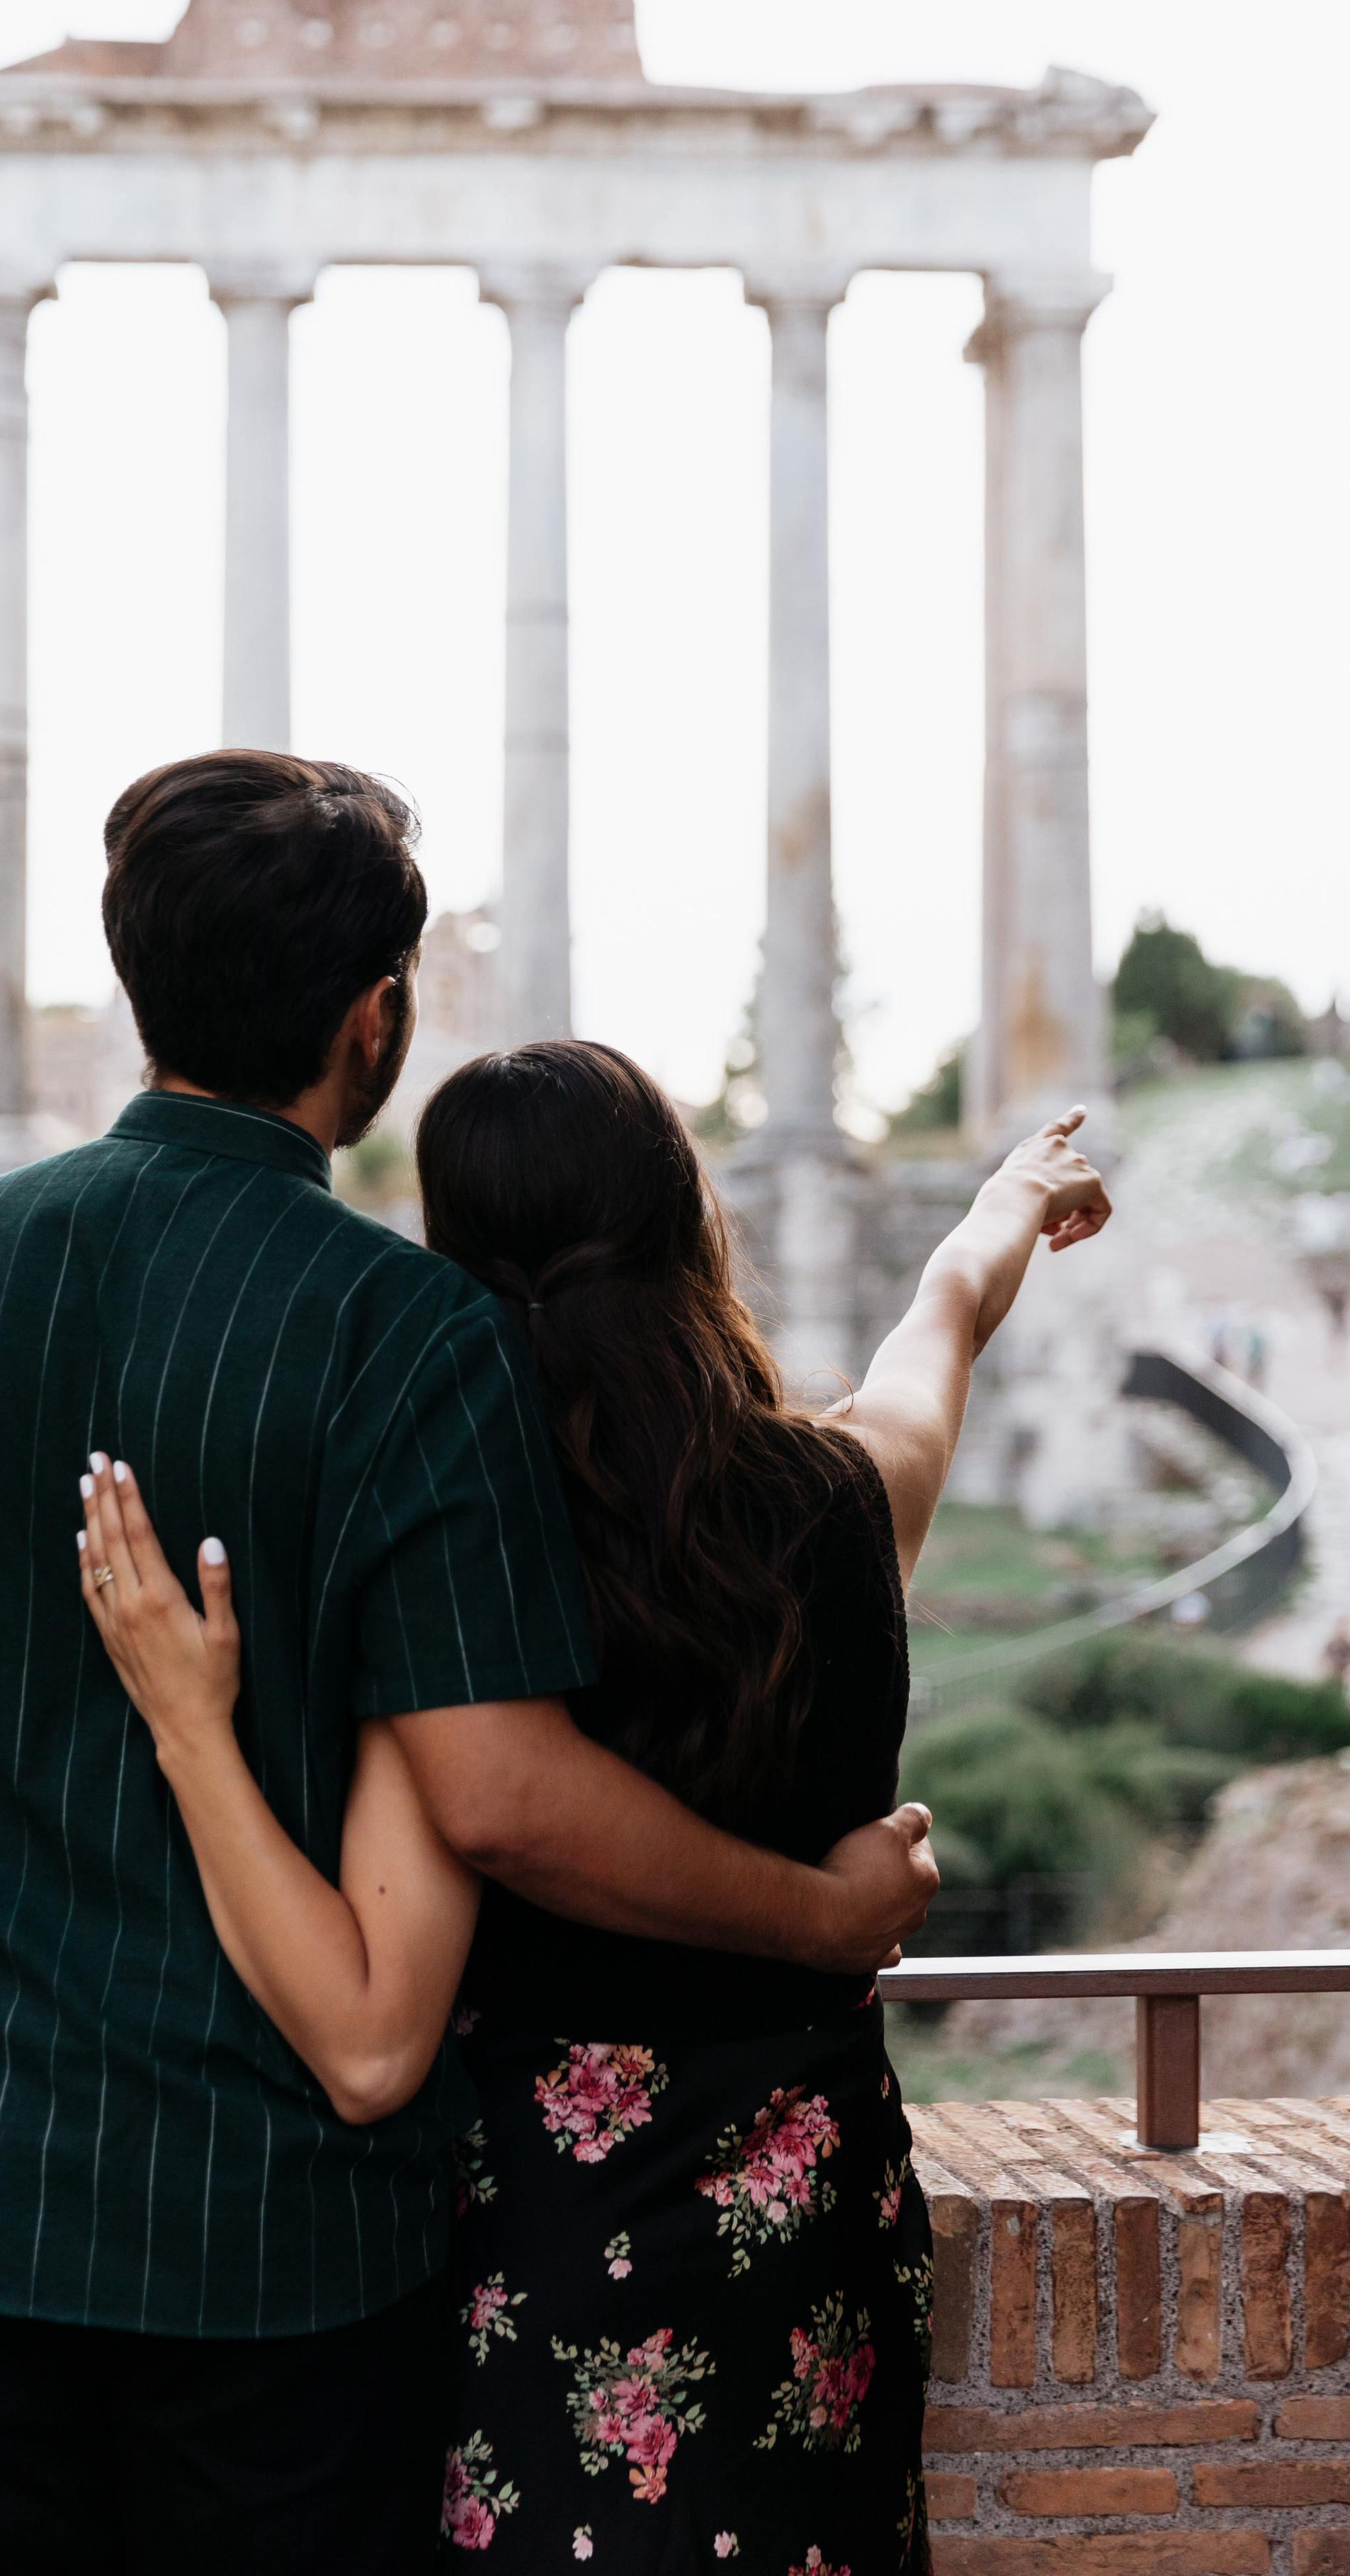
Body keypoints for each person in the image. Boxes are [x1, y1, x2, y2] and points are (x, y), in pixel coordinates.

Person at [0, 750, 938, 2576]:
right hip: (278, 2254)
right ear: (374, 1023)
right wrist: (811, 1916)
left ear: (137, 975)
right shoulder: (410, 1334)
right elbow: (492, 1785)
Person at [78, 1048, 1111, 2572]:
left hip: (544, 2221)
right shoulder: (835, 1504)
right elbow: (932, 1334)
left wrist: (188, 1721)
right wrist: (1000, 1209)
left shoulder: (460, 1576)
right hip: (805, 2209)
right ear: (685, 1226)